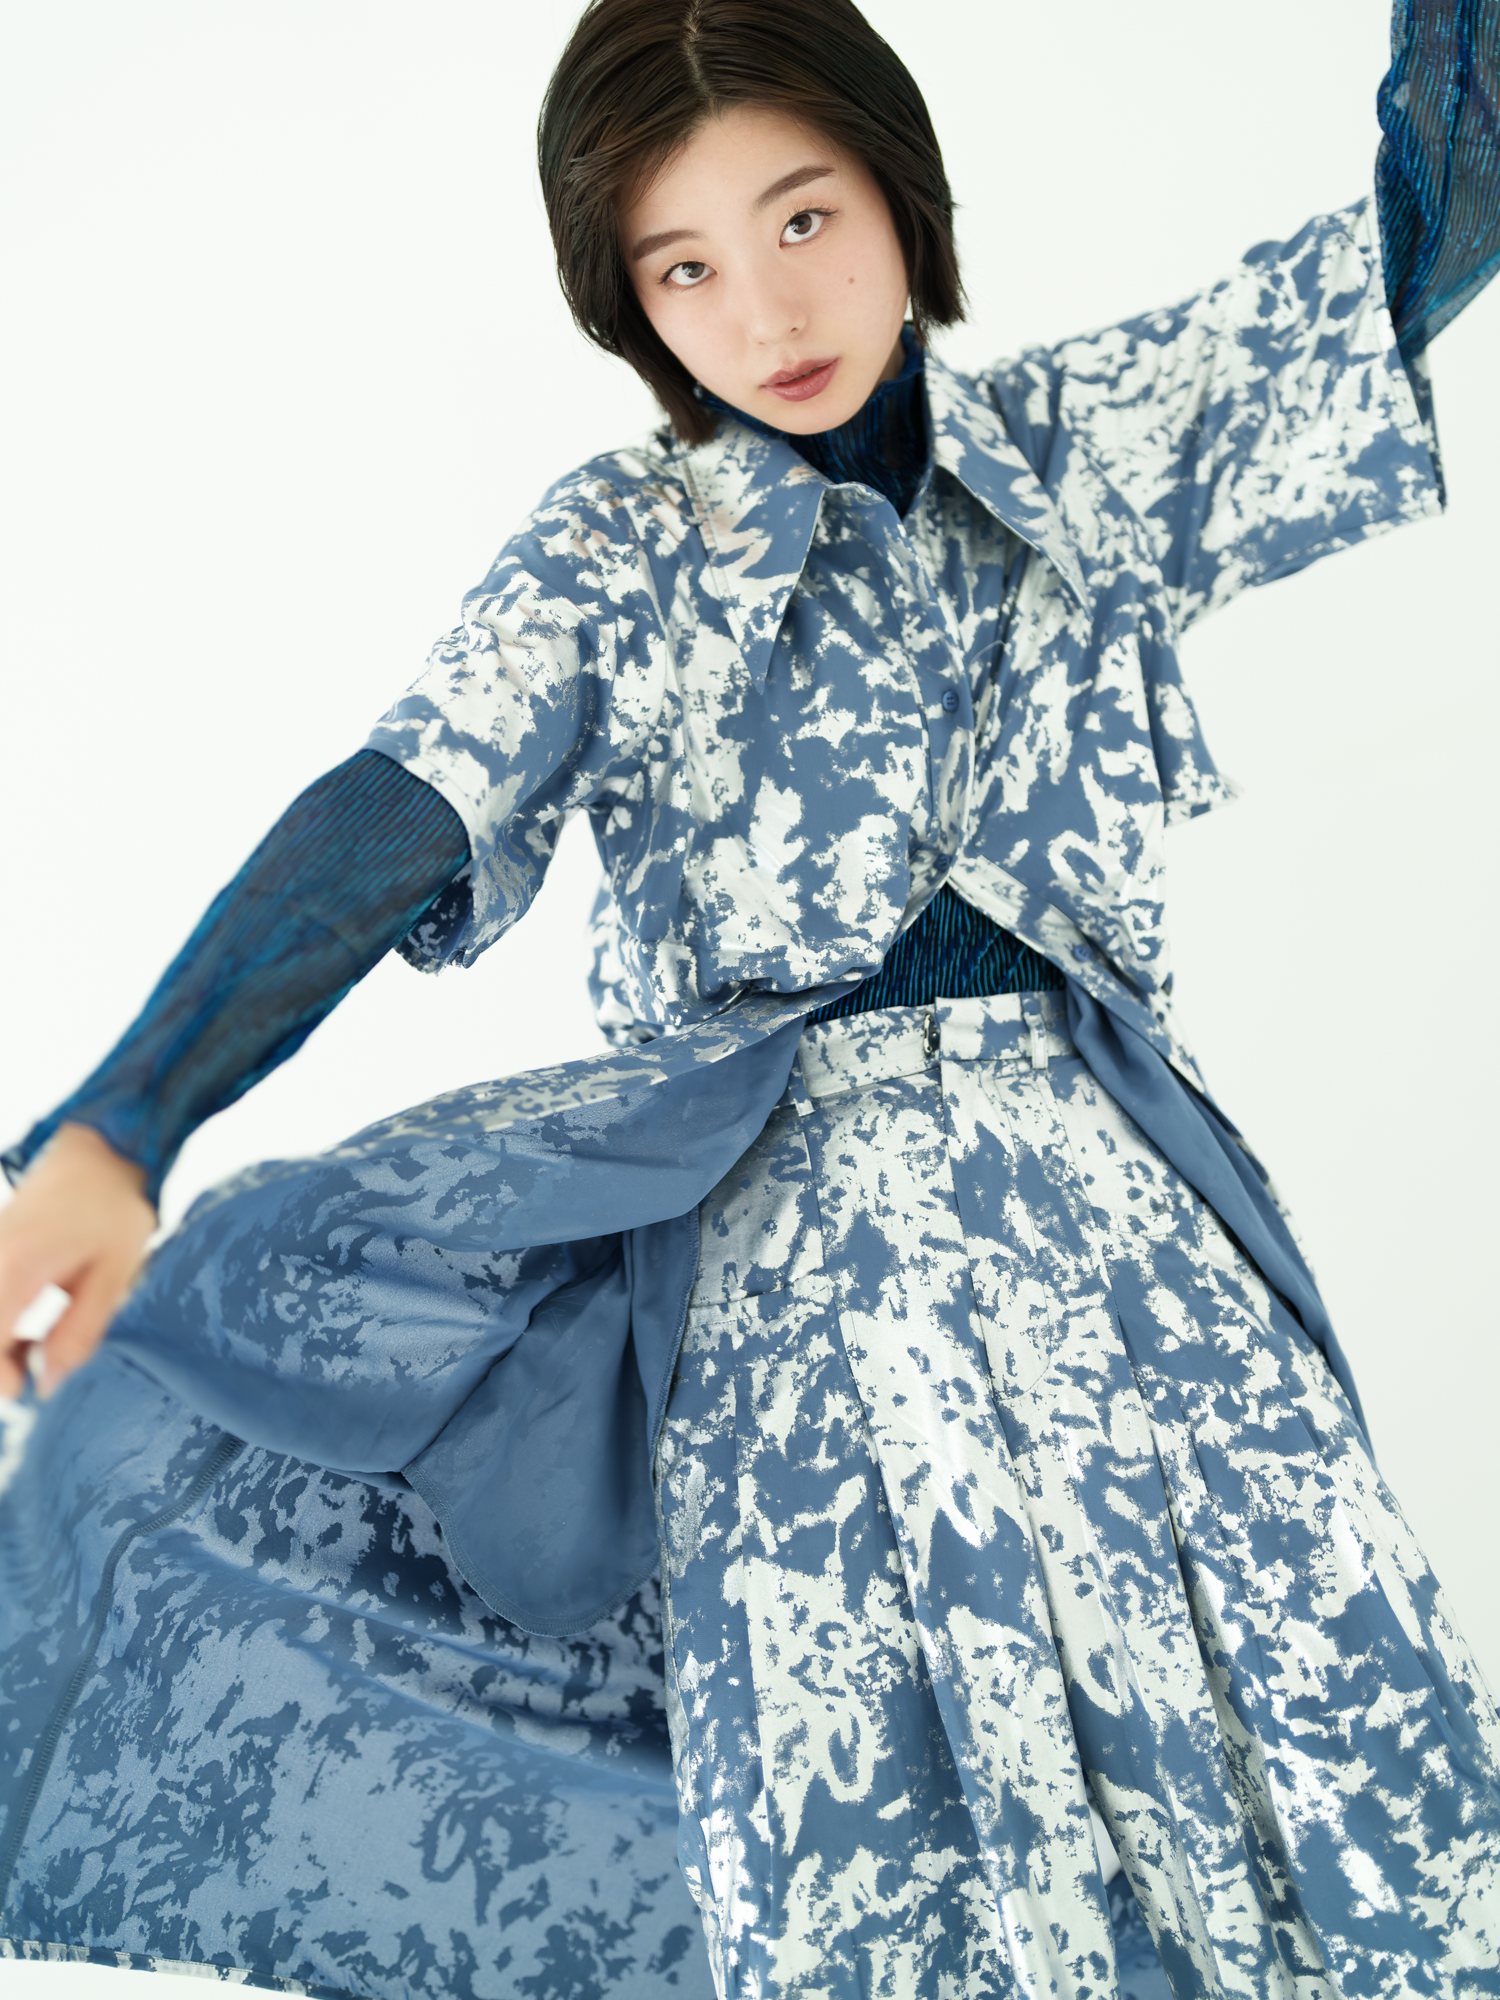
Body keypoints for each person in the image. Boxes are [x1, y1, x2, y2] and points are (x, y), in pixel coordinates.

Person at [1, 0, 1497, 1994]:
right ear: (625, 301)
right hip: (799, 1305)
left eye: (803, 220)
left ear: (899, 192)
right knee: (885, 1871)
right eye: (682, 266)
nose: (766, 310)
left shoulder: (1100, 448)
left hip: (1145, 1261)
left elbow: (1433, 215)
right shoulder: (620, 552)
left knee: (1346, 1780)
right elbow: (403, 804)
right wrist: (125, 1120)